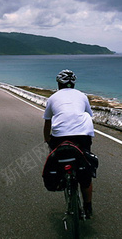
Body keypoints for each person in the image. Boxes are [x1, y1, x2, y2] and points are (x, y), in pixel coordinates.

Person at [43, 69, 95, 218]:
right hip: (83, 136)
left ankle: (60, 180)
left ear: (59, 84)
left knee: (57, 156)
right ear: (74, 84)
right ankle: (88, 207)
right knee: (85, 168)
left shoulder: (53, 98)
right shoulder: (82, 96)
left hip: (60, 137)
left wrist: (48, 141)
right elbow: (89, 115)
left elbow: (47, 123)